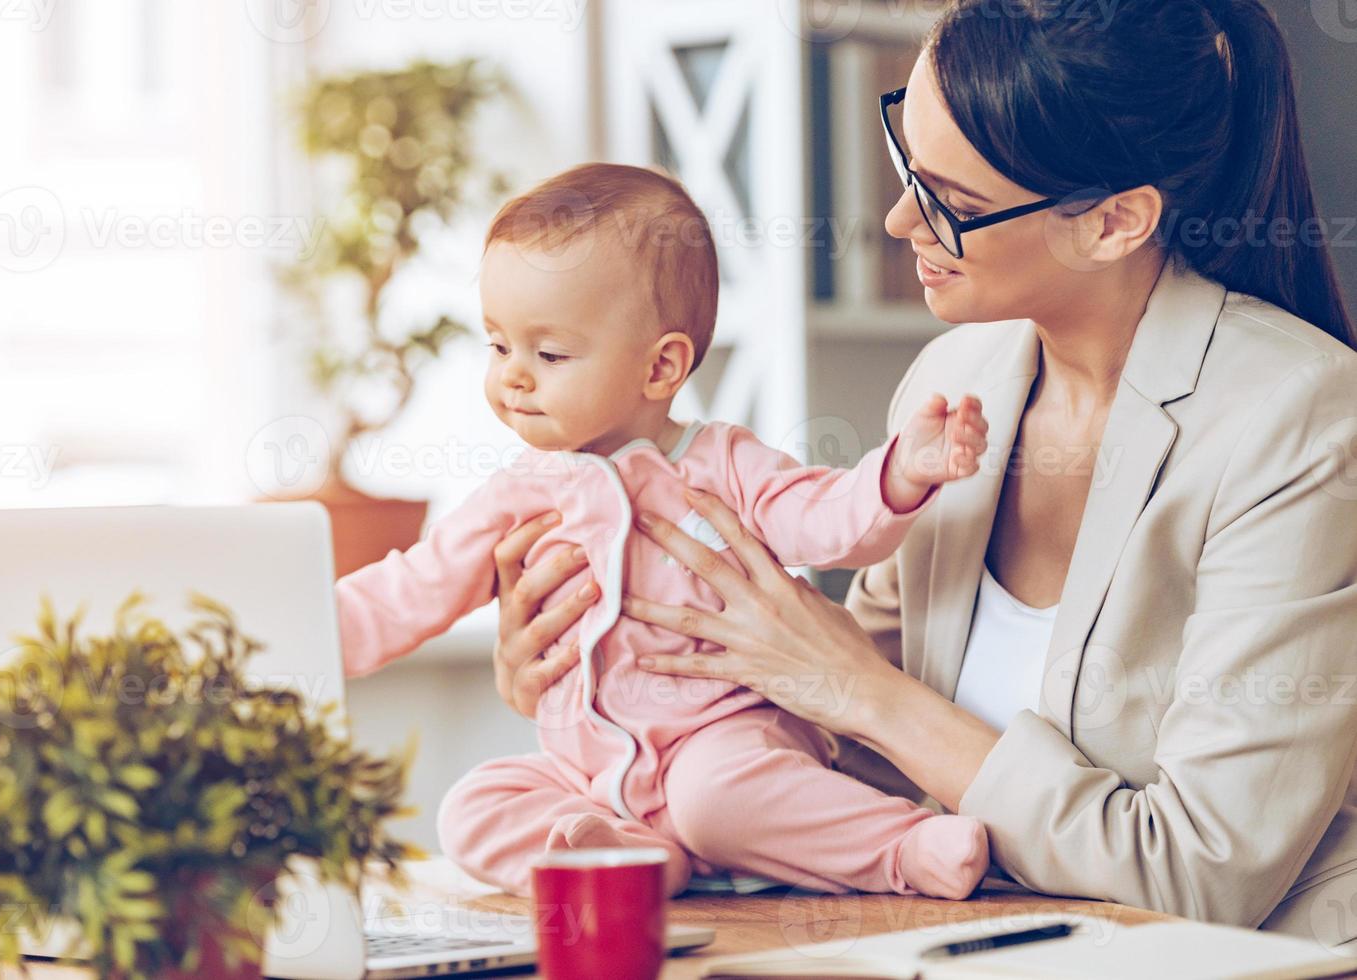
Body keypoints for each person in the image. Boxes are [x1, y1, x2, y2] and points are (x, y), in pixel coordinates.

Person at [487, 0, 1357, 943]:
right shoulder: (958, 380)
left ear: (1113, 222)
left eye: (957, 203)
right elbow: (848, 761)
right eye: (908, 162)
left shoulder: (1296, 418)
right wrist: (600, 676)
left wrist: (866, 691)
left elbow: (1193, 877)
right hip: (973, 942)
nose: (901, 218)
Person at [337, 162, 996, 899]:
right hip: (591, 775)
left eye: (547, 354)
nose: (513, 377)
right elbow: (409, 589)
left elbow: (832, 525)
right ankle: (636, 859)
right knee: (471, 809)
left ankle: (903, 850)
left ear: (661, 366)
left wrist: (902, 471)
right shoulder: (517, 495)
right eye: (497, 346)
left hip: (726, 740)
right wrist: (293, 634)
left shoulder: (724, 463)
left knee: (718, 799)